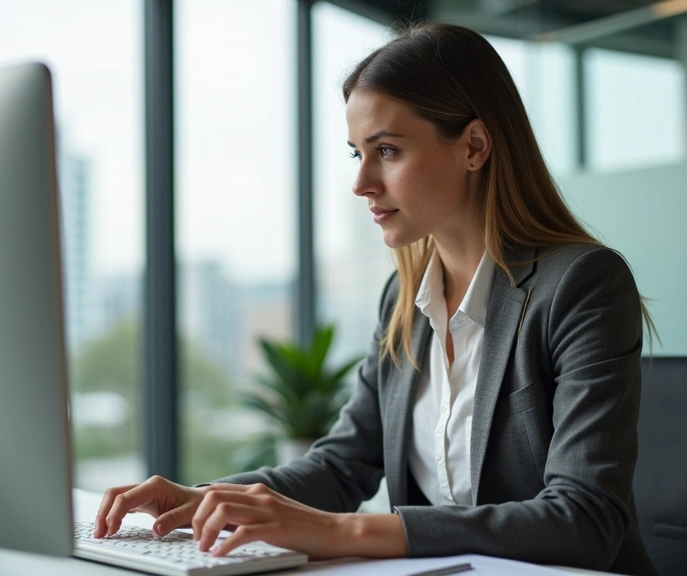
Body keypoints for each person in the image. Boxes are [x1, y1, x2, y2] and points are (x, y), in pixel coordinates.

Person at [95, 22, 658, 576]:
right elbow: (344, 465)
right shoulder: (404, 299)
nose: (362, 182)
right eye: (356, 154)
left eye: (386, 150)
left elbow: (585, 520)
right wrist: (210, 499)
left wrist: (347, 532)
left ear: (474, 146)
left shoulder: (581, 285)